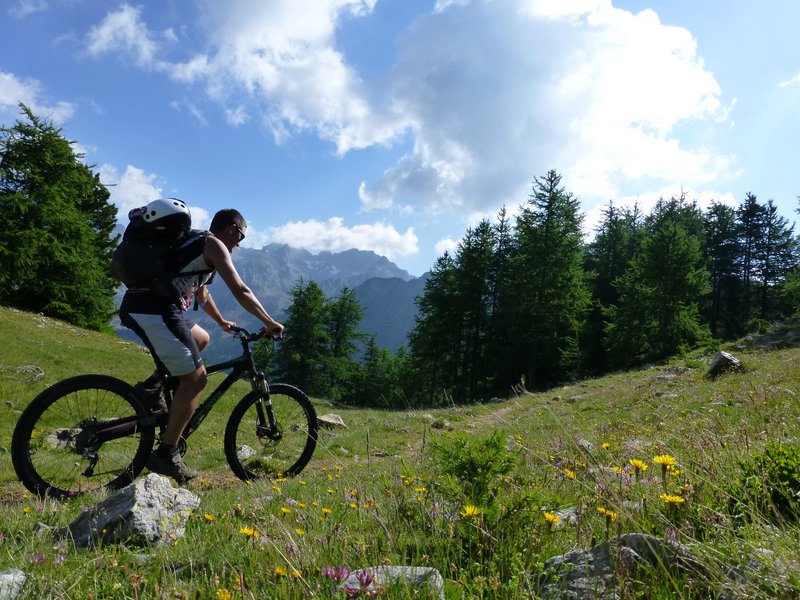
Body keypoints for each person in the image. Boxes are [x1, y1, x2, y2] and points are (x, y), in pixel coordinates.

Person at [119, 204, 284, 484]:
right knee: (196, 380)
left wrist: (220, 322)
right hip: (156, 309)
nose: (239, 245)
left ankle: (152, 387)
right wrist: (270, 322)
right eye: (240, 238)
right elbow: (241, 290)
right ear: (233, 229)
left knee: (203, 338)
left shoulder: (195, 244)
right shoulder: (214, 245)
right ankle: (166, 453)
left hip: (148, 306)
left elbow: (201, 293)